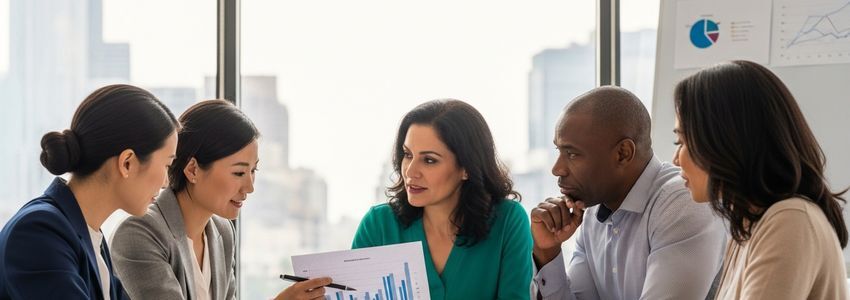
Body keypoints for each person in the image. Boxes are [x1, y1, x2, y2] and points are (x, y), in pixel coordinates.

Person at [111, 100, 331, 300]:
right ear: (193, 169)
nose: (250, 187)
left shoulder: (222, 231)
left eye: (253, 171)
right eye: (238, 173)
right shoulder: (139, 234)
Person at [672, 60, 849, 299]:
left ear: (725, 141)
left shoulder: (790, 220)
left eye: (682, 142)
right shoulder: (748, 225)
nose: (675, 159)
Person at [530, 86, 727, 300]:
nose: (557, 169)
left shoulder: (683, 201)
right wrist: (547, 251)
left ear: (623, 153)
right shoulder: (592, 215)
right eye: (559, 151)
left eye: (572, 154)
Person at [0, 84, 179, 299]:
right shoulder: (40, 232)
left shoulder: (90, 237)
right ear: (127, 163)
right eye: (167, 165)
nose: (166, 182)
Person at [352, 99, 532, 299]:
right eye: (408, 155)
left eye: (429, 160)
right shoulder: (379, 225)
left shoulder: (508, 221)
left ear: (466, 168)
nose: (410, 171)